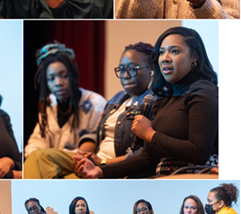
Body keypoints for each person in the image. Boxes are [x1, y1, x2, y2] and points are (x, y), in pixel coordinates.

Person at [74, 26, 218, 178]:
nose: (165, 58)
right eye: (162, 52)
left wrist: (150, 134)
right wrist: (101, 171)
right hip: (161, 177)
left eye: (175, 51)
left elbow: (199, 152)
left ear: (194, 57)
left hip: (193, 176)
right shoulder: (163, 99)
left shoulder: (203, 91)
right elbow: (148, 158)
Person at [24, 41, 106, 179]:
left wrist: (53, 158)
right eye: (51, 78)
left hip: (83, 166)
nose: (58, 83)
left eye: (64, 75)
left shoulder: (95, 103)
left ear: (73, 76)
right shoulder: (49, 104)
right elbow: (35, 143)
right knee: (35, 160)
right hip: (51, 167)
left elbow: (96, 148)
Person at [77, 42, 155, 167]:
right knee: (42, 156)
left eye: (133, 69)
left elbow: (144, 154)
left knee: (43, 160)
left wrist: (102, 163)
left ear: (152, 70)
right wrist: (82, 155)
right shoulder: (117, 98)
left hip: (112, 169)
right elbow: (97, 134)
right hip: (93, 162)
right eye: (122, 69)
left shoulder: (154, 102)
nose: (125, 75)